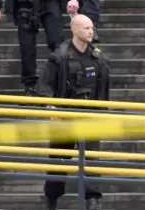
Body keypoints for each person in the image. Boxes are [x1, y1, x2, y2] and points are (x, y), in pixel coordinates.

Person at [37, 14, 110, 210]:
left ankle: (92, 201)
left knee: (92, 159)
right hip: (65, 118)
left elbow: (103, 90)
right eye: (86, 28)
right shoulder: (59, 57)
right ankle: (51, 200)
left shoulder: (98, 58)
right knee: (58, 161)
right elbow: (44, 86)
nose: (91, 31)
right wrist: (49, 106)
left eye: (92, 28)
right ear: (75, 30)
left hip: (89, 118)